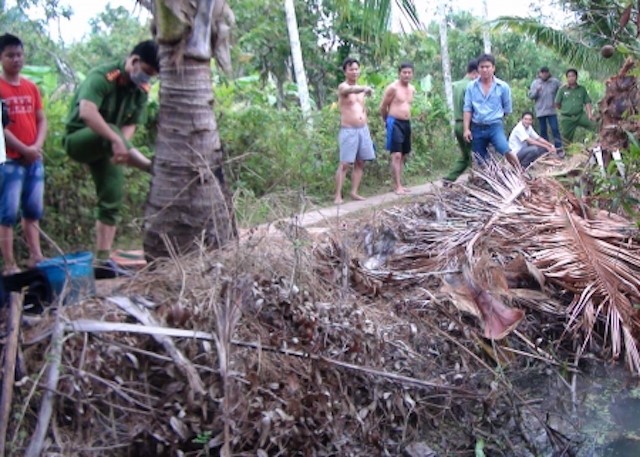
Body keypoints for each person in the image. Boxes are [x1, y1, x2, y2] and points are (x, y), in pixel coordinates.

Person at [63, 40, 159, 276]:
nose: (147, 80)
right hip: (78, 140)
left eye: (152, 76)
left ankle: (102, 261)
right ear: (134, 61)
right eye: (146, 72)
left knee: (112, 197)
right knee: (113, 131)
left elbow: (130, 125)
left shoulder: (139, 91)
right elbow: (87, 112)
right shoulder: (102, 76)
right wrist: (117, 141)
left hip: (108, 146)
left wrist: (121, 148)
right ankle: (149, 166)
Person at [0, 33, 48, 274]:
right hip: (9, 160)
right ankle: (9, 265)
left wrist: (36, 146)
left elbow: (41, 119)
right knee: (7, 213)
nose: (16, 59)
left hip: (34, 159)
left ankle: (36, 256)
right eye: (10, 55)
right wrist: (25, 149)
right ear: (1, 58)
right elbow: (1, 129)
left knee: (33, 211)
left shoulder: (31, 87)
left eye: (19, 54)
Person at [462, 53, 522, 171]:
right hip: (477, 127)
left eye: (487, 66)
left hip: (495, 126)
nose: (484, 69)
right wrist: (466, 129)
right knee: (480, 159)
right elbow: (467, 108)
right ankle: (490, 180)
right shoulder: (471, 87)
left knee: (505, 150)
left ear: (493, 68)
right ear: (478, 69)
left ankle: (521, 173)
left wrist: (495, 118)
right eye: (482, 67)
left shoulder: (503, 87)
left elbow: (507, 109)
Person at [334, 57, 376, 205]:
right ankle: (338, 195)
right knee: (345, 163)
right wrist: (365, 88)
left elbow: (361, 107)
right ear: (345, 71)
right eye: (351, 69)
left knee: (360, 162)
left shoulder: (361, 90)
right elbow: (349, 90)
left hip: (363, 129)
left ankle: (354, 192)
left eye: (356, 69)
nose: (354, 72)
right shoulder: (343, 87)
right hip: (349, 130)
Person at [380, 62, 416, 195]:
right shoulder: (393, 88)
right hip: (394, 122)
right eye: (404, 72)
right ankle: (397, 186)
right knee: (396, 154)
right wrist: (387, 121)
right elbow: (383, 106)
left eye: (409, 72)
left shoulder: (412, 89)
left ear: (412, 74)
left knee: (404, 155)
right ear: (399, 73)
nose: (406, 75)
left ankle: (399, 183)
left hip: (406, 123)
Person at [443, 59, 478, 184]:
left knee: (465, 156)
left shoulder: (458, 85)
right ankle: (475, 180)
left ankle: (449, 178)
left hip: (457, 123)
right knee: (475, 156)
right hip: (467, 124)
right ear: (475, 72)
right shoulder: (471, 86)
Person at [555, 68, 596, 144]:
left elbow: (587, 102)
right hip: (567, 118)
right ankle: (567, 153)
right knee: (566, 139)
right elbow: (557, 103)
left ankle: (597, 144)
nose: (571, 78)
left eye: (573, 76)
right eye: (569, 76)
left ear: (576, 77)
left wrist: (590, 114)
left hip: (580, 115)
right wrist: (566, 110)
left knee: (594, 126)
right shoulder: (562, 90)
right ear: (567, 78)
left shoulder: (581, 89)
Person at [528, 66, 563, 154]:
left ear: (548, 73)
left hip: (552, 110)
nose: (544, 74)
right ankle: (546, 150)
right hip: (541, 111)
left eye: (546, 73)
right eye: (542, 73)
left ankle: (559, 149)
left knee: (555, 129)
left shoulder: (554, 82)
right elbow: (531, 96)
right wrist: (537, 91)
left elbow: (562, 90)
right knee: (543, 131)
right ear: (539, 73)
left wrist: (559, 102)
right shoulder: (535, 83)